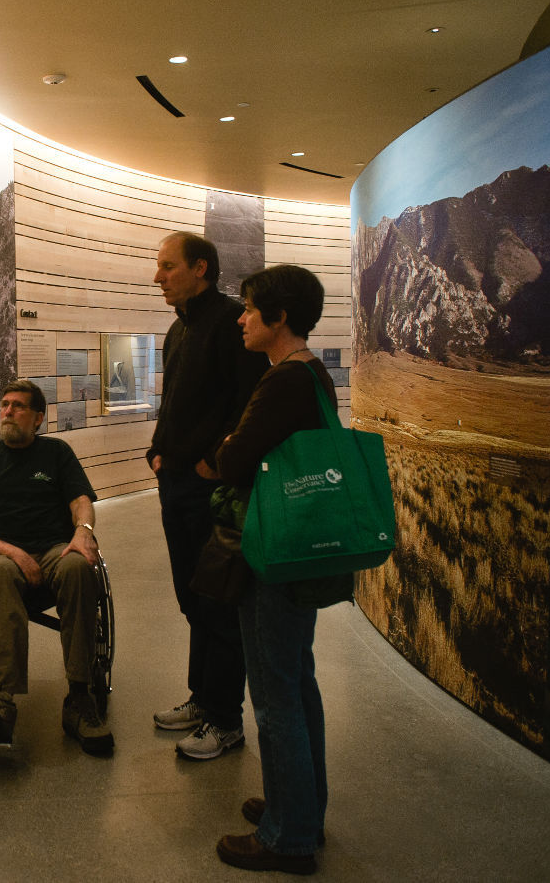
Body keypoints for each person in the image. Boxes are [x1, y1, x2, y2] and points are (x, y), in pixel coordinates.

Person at [213, 264, 336, 874]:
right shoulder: (310, 374)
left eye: (250, 308)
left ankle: (288, 836)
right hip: (296, 549)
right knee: (296, 679)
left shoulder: (285, 380)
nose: (241, 318)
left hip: (273, 553)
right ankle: (304, 805)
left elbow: (234, 459)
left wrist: (224, 449)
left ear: (279, 317)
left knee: (275, 692)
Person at [147, 232, 268, 760]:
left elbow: (248, 402)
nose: (158, 277)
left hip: (207, 489)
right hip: (174, 483)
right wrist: (156, 453)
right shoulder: (180, 329)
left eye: (167, 267)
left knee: (218, 602)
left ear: (201, 268)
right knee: (194, 598)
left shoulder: (228, 324)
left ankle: (225, 721)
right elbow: (175, 403)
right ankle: (203, 698)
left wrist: (215, 463)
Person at [0, 379, 112, 756]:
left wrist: (84, 531)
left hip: (54, 550)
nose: (7, 411)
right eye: (4, 405)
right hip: (2, 554)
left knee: (78, 567)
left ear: (38, 418)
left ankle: (79, 696)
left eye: (18, 407)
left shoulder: (57, 453)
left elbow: (81, 500)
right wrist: (15, 553)